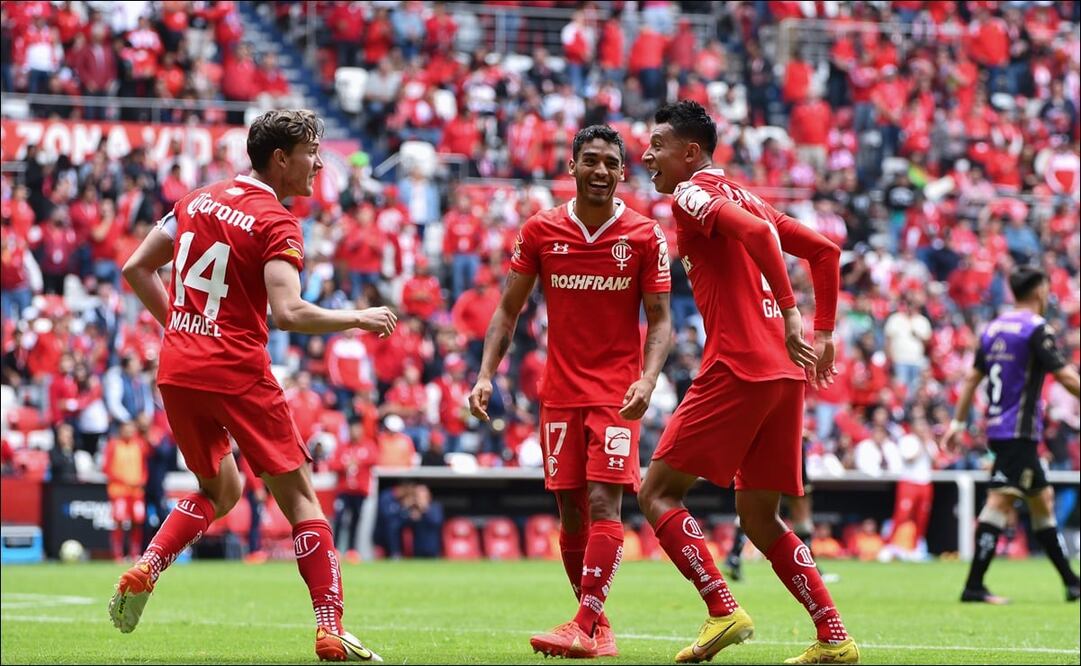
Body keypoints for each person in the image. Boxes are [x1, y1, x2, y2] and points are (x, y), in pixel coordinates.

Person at [109, 109, 397, 662]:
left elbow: (135, 268)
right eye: (311, 152)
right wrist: (357, 318)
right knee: (303, 501)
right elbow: (287, 312)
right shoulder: (277, 222)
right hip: (237, 369)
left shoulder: (194, 199)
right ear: (280, 159)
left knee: (224, 489)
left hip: (179, 366)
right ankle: (330, 626)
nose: (318, 163)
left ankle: (148, 566)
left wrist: (179, 326)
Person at [639, 100, 858, 664]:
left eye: (657, 144)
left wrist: (791, 313)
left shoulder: (691, 194)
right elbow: (825, 252)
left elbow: (760, 236)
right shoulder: (747, 193)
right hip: (786, 375)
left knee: (656, 491)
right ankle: (833, 637)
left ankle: (721, 609)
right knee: (760, 516)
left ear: (691, 153)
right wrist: (825, 332)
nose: (646, 155)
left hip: (738, 363)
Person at [469, 125, 672, 659]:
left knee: (606, 502)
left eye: (611, 162)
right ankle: (598, 629)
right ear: (572, 167)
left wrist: (648, 378)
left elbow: (661, 320)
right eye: (591, 161)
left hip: (616, 394)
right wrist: (486, 372)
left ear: (623, 172)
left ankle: (580, 625)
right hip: (558, 393)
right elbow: (507, 310)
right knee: (572, 515)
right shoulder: (540, 231)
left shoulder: (646, 236)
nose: (601, 171)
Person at [943, 266, 1080, 605]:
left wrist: (957, 424)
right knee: (1000, 501)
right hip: (1018, 431)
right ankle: (974, 585)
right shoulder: (1036, 328)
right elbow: (1065, 376)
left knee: (1041, 500)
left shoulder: (992, 328)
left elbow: (972, 379)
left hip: (1001, 429)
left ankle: (1072, 582)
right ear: (1039, 290)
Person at [330, 419, 380, 564]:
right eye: (352, 429)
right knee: (339, 518)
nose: (355, 432)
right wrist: (345, 465)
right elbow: (332, 464)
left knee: (355, 519)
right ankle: (335, 549)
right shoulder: (343, 447)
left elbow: (375, 458)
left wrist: (359, 462)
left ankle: (352, 550)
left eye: (357, 428)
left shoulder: (368, 445)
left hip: (360, 490)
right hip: (344, 489)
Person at [103, 421, 149, 562]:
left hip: (136, 492)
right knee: (119, 521)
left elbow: (144, 467)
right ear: (121, 430)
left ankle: (135, 553)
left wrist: (142, 480)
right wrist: (124, 480)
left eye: (131, 430)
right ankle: (117, 555)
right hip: (119, 491)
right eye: (126, 430)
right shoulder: (113, 445)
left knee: (137, 521)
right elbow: (107, 468)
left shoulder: (139, 445)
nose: (129, 432)